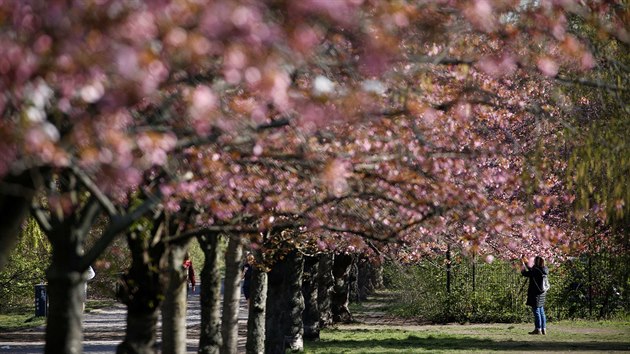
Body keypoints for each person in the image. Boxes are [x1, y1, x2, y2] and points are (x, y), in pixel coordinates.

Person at [521, 255, 548, 335]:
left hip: (535, 292)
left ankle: (538, 329)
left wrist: (521, 266)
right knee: (541, 311)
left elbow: (525, 273)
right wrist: (525, 261)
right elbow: (531, 269)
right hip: (542, 292)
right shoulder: (544, 269)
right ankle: (543, 329)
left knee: (536, 311)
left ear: (536, 262)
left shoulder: (535, 270)